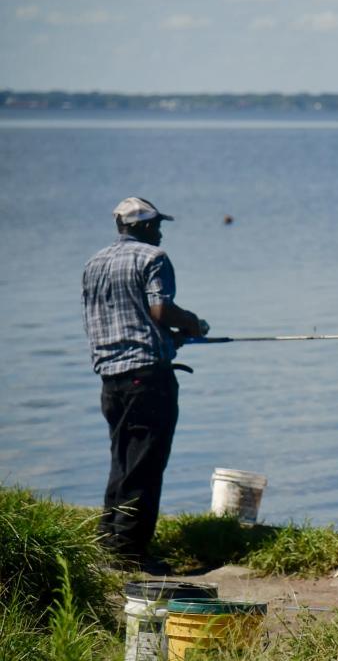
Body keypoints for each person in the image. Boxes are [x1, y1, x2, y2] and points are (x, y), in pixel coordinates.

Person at [82, 197, 209, 572]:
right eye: (156, 225)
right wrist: (191, 324)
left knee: (122, 461)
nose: (160, 231)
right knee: (146, 464)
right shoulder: (153, 258)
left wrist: (167, 335)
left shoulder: (93, 263)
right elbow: (157, 309)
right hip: (147, 378)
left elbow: (125, 318)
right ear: (143, 227)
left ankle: (110, 542)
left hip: (111, 379)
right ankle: (131, 555)